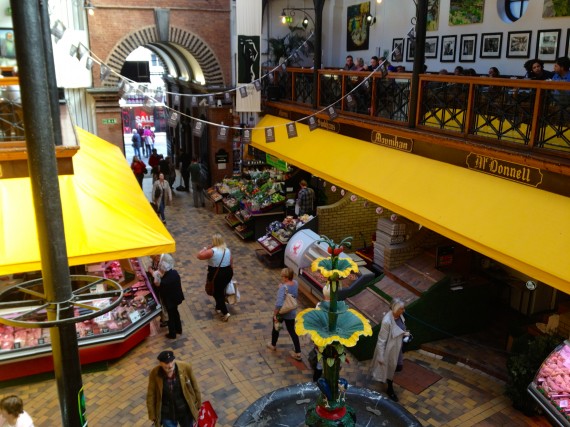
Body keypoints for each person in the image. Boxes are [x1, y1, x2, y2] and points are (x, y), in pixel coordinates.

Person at [370, 298, 409, 402]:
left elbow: (401, 328)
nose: (403, 310)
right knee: (390, 369)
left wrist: (405, 334)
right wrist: (381, 356)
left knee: (396, 367)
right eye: (401, 309)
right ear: (395, 309)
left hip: (398, 348)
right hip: (390, 350)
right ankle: (390, 389)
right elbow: (381, 340)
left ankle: (388, 382)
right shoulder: (387, 321)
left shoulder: (399, 315)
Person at [147, 350, 201, 427]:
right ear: (160, 363)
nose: (170, 365)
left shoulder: (185, 367)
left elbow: (194, 386)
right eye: (166, 363)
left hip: (185, 410)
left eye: (172, 361)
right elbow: (151, 395)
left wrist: (198, 404)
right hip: (167, 413)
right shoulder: (154, 373)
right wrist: (152, 414)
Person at [266, 267, 302, 361]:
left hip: (281, 313)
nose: (281, 277)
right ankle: (298, 352)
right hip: (291, 312)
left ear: (286, 277)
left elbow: (279, 304)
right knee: (292, 331)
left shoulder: (283, 288)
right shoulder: (295, 283)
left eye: (282, 276)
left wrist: (275, 314)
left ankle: (273, 345)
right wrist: (282, 286)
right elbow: (294, 295)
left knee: (276, 327)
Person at [197, 233, 233, 322]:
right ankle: (218, 307)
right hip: (228, 272)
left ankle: (225, 312)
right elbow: (231, 262)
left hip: (217, 274)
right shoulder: (227, 250)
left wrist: (205, 248)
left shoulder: (212, 251)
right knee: (220, 290)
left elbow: (199, 256)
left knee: (217, 293)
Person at [156, 254, 184, 339]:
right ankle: (179, 329)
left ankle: (172, 334)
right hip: (176, 298)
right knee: (176, 312)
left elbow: (161, 288)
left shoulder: (164, 281)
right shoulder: (174, 273)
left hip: (169, 301)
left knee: (170, 316)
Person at [146, 254, 169, 328]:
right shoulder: (155, 261)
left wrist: (151, 271)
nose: (150, 257)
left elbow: (160, 276)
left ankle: (165, 319)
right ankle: (163, 317)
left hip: (162, 287)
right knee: (160, 301)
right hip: (157, 287)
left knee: (163, 302)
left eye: (151, 256)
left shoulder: (163, 264)